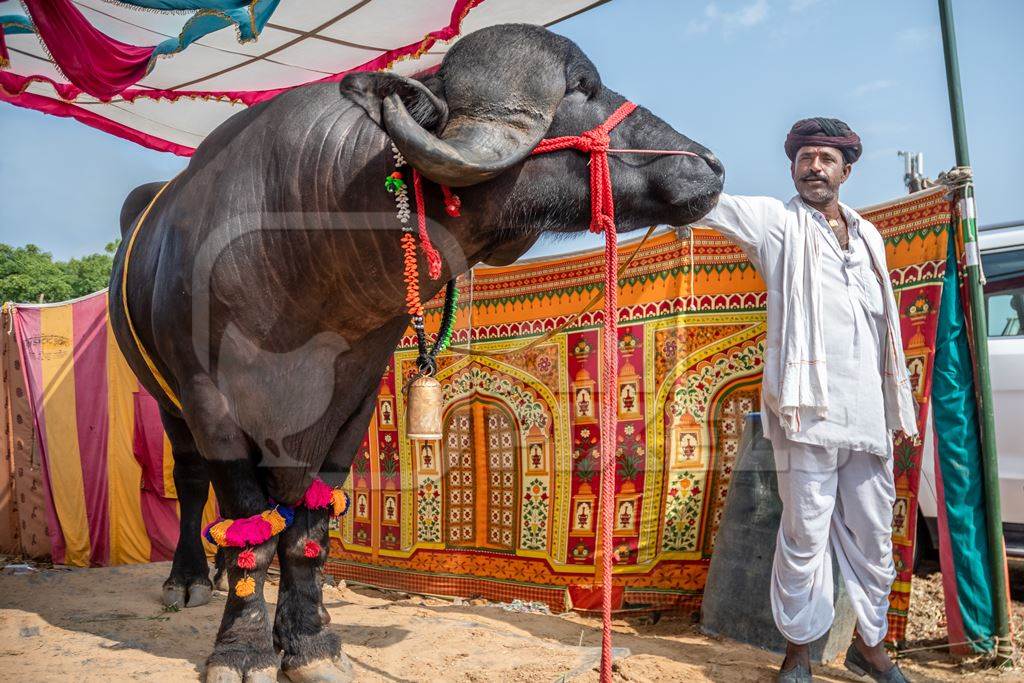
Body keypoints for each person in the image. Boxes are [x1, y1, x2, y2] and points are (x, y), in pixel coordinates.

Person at [697, 117, 917, 682]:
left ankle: (870, 648)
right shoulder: (775, 223)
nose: (814, 167)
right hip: (805, 413)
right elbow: (706, 201)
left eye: (825, 158)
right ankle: (798, 652)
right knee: (803, 536)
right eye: (804, 158)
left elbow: (880, 328)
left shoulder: (869, 237)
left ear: (847, 169)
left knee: (872, 537)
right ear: (793, 166)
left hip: (867, 414)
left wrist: (892, 407)